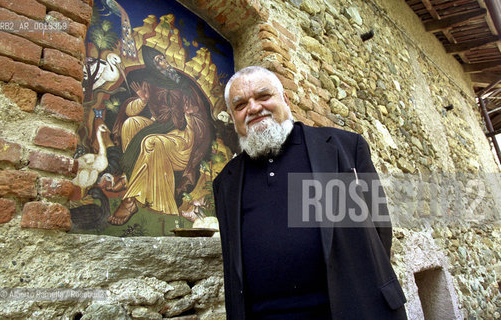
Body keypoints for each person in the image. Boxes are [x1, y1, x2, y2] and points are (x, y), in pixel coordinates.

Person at [213, 66, 408, 319]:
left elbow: (380, 229)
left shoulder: (345, 148)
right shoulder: (225, 182)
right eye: (240, 105)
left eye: (263, 97)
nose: (253, 108)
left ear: (285, 99)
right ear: (233, 116)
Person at [107, 46, 212, 225]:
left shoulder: (184, 86)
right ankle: (129, 177)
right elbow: (132, 111)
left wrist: (189, 115)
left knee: (152, 142)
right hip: (160, 126)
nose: (164, 64)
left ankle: (131, 199)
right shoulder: (150, 83)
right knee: (130, 124)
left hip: (183, 137)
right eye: (158, 61)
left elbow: (201, 121)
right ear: (152, 66)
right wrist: (143, 100)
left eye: (163, 59)